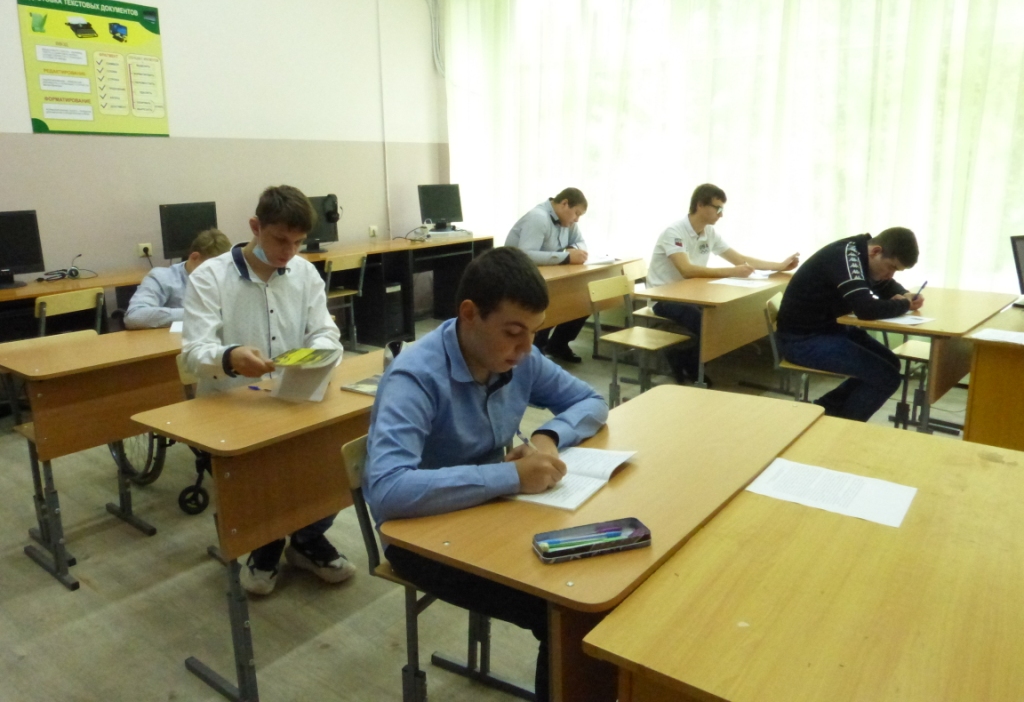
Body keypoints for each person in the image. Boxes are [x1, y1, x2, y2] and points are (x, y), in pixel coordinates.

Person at [363, 246, 609, 702]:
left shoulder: (520, 356)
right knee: (562, 608)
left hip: (491, 511)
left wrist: (548, 438)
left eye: (534, 333)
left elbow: (591, 401)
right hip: (421, 537)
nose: (526, 349)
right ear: (469, 314)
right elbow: (387, 489)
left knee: (596, 577)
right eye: (513, 333)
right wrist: (509, 477)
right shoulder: (414, 378)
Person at [182, 185, 355, 595]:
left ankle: (307, 538)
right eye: (280, 240)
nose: (289, 252)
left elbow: (325, 332)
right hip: (230, 407)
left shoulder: (304, 273)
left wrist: (319, 352)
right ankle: (266, 543)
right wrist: (229, 356)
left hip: (292, 397)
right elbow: (192, 353)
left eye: (298, 242)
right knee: (260, 485)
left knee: (335, 463)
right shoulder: (210, 277)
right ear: (255, 227)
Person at [646, 183, 799, 385]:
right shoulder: (674, 232)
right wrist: (732, 272)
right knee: (708, 324)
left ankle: (683, 358)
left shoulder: (709, 232)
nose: (721, 214)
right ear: (700, 205)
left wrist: (779, 266)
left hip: (693, 295)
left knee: (723, 319)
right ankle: (691, 365)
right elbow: (687, 270)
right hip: (664, 298)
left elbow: (739, 259)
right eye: (717, 208)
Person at [775, 227, 923, 422]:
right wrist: (904, 304)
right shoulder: (845, 257)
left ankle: (826, 411)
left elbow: (882, 284)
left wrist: (904, 294)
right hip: (801, 340)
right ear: (876, 251)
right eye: (892, 267)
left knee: (892, 365)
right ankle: (843, 426)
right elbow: (866, 309)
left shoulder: (861, 253)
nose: (891, 274)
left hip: (829, 330)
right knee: (886, 377)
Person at [504, 187, 590, 363]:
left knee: (582, 302)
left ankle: (558, 345)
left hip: (549, 278)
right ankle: (536, 350)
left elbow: (580, 242)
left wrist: (573, 249)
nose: (577, 219)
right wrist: (567, 257)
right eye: (576, 213)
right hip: (520, 279)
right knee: (550, 305)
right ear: (564, 204)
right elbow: (526, 255)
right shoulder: (538, 218)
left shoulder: (568, 223)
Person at [123, 228, 232, 329]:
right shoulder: (162, 277)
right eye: (212, 269)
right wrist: (196, 314)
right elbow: (134, 316)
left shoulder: (228, 277)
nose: (217, 274)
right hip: (173, 341)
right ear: (195, 257)